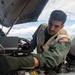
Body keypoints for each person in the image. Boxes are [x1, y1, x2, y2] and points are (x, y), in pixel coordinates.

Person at [0, 10, 71, 75]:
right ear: (48, 20)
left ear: (62, 26)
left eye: (56, 26)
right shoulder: (42, 27)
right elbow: (33, 42)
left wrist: (19, 62)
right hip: (39, 63)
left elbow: (51, 59)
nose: (52, 28)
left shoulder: (64, 39)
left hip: (54, 69)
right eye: (50, 23)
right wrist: (25, 47)